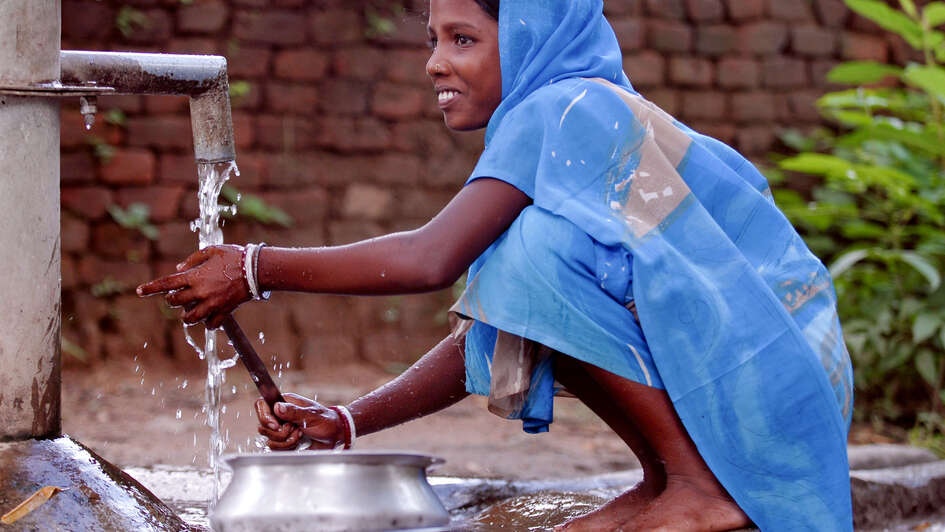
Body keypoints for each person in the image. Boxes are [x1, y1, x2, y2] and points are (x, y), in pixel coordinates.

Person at [138, 0, 855, 530]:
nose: (434, 62)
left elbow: (429, 258)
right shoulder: (579, 115)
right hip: (777, 388)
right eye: (432, 39)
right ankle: (667, 479)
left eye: (464, 39)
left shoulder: (564, 106)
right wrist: (349, 422)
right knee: (524, 262)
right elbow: (506, 316)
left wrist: (256, 267)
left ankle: (700, 489)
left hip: (774, 378)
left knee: (527, 253)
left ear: (530, 38)